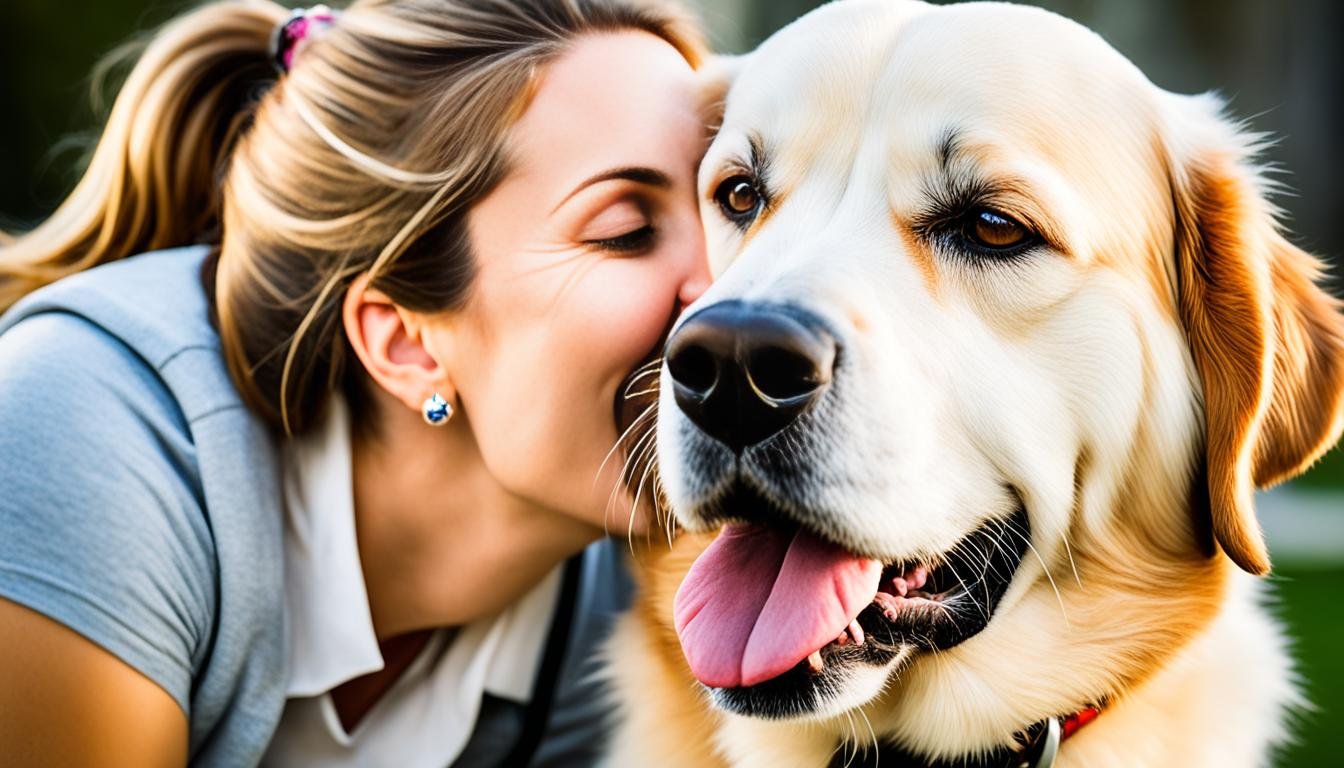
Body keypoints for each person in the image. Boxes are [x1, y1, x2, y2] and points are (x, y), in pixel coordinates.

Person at [0, 0, 711, 765]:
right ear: (406, 342)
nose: (732, 289)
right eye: (626, 232)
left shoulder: (638, 599)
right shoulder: (88, 438)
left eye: (731, 204)